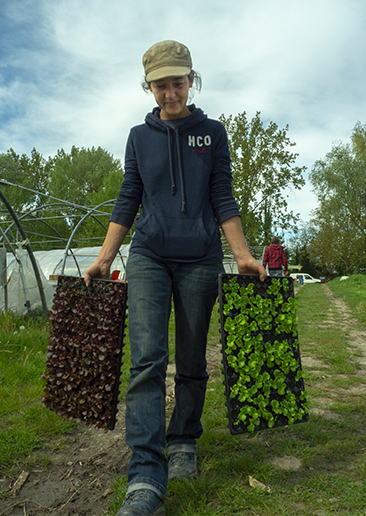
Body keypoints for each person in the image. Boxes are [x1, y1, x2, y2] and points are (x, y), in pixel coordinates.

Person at [83, 40, 266, 516]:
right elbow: (128, 197)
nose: (170, 93)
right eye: (160, 85)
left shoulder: (213, 133)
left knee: (190, 358)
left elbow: (222, 195)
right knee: (146, 359)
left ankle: (184, 439)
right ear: (149, 86)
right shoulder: (138, 137)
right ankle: (145, 474)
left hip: (201, 257)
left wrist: (241, 254)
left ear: (191, 80)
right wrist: (106, 257)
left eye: (177, 82)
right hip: (148, 255)